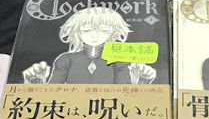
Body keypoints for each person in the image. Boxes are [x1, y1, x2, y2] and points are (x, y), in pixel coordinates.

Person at [21, 7, 157, 85]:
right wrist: (37, 84)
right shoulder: (66, 59)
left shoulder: (118, 60)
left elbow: (123, 95)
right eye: (86, 30)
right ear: (77, 32)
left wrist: (140, 83)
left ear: (113, 32)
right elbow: (54, 92)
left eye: (103, 30)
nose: (94, 35)